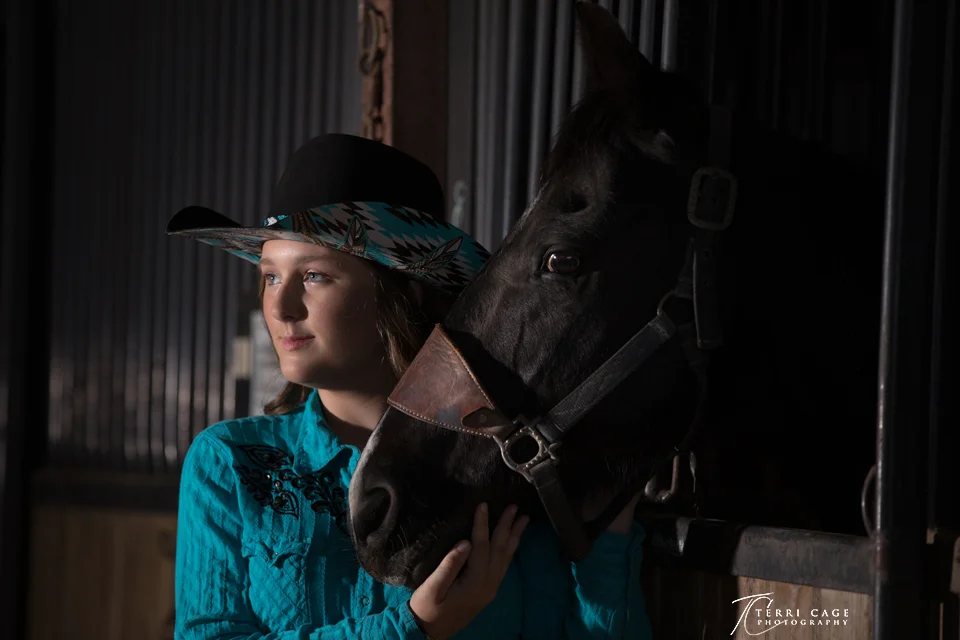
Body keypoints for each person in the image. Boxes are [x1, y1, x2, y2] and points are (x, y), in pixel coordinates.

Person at [168, 133, 653, 639]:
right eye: (271, 277)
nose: (281, 307)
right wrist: (415, 627)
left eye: (313, 275)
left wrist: (609, 544)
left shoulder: (500, 467)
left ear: (404, 293)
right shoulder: (231, 461)